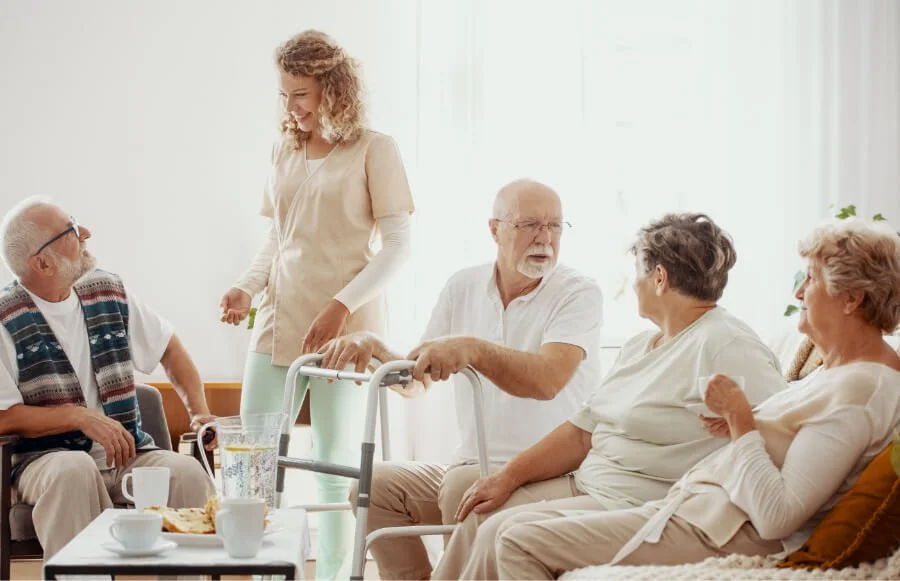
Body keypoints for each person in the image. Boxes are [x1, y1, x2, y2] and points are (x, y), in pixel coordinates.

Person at [452, 219, 900, 580]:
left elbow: (778, 517)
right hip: (695, 508)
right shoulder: (834, 375)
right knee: (500, 526)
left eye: (812, 281)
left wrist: (743, 421)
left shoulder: (861, 390)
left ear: (852, 299)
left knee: (513, 540)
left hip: (718, 524)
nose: (799, 293)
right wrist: (740, 425)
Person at [318, 178, 603, 580]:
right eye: (529, 225)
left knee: (462, 488)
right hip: (474, 461)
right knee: (372, 488)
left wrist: (471, 348)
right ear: (495, 229)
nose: (545, 238)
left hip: (552, 471)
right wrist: (374, 348)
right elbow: (417, 381)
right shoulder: (463, 285)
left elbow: (548, 379)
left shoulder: (578, 293)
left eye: (555, 226)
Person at [217, 29, 415, 579]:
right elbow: (278, 239)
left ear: (332, 88)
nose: (290, 107)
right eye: (284, 95)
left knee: (333, 466)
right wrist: (246, 287)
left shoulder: (376, 149)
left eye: (300, 94)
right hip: (278, 321)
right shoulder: (284, 147)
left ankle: (331, 574)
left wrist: (341, 306)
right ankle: (259, 570)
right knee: (253, 460)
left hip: (342, 329)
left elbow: (398, 247)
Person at [0, 198, 216, 560]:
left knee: (186, 472)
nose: (85, 233)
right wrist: (79, 417)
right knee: (74, 469)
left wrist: (201, 412)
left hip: (128, 453)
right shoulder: (5, 318)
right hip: (45, 460)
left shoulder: (107, 290)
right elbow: (4, 416)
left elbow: (170, 350)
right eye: (70, 231)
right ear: (42, 262)